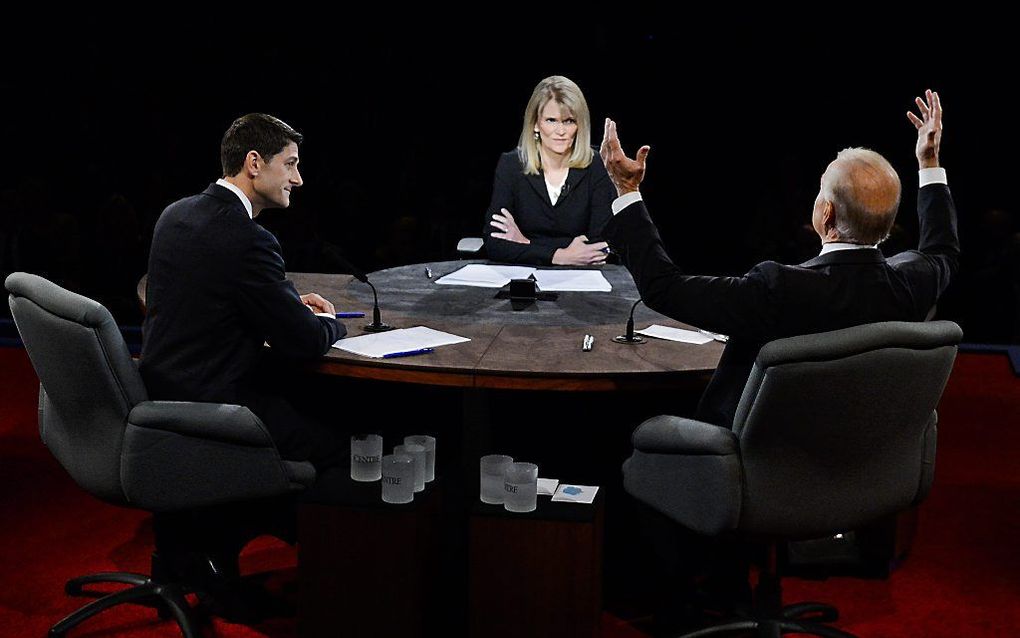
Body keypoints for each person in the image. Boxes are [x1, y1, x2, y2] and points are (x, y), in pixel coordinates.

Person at [599, 90, 957, 631]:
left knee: (636, 441)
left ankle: (670, 597)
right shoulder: (911, 285)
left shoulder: (779, 290)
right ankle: (725, 587)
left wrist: (627, 191)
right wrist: (929, 164)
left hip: (759, 475)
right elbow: (945, 252)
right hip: (860, 475)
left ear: (825, 213)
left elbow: (664, 288)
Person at [139, 113, 348, 622]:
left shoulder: (176, 214)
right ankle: (338, 589)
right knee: (341, 447)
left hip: (164, 395)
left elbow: (207, 296)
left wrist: (280, 301)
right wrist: (332, 323)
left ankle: (200, 548)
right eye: (290, 165)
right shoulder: (249, 239)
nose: (298, 179)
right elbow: (303, 342)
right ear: (254, 164)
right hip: (220, 405)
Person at [484, 75, 613, 265]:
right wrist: (561, 255)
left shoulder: (597, 166)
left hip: (581, 279)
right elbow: (494, 243)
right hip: (525, 276)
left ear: (580, 125)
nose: (560, 131)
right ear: (536, 124)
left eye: (569, 121)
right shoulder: (511, 166)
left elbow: (600, 246)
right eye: (551, 120)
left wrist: (526, 243)